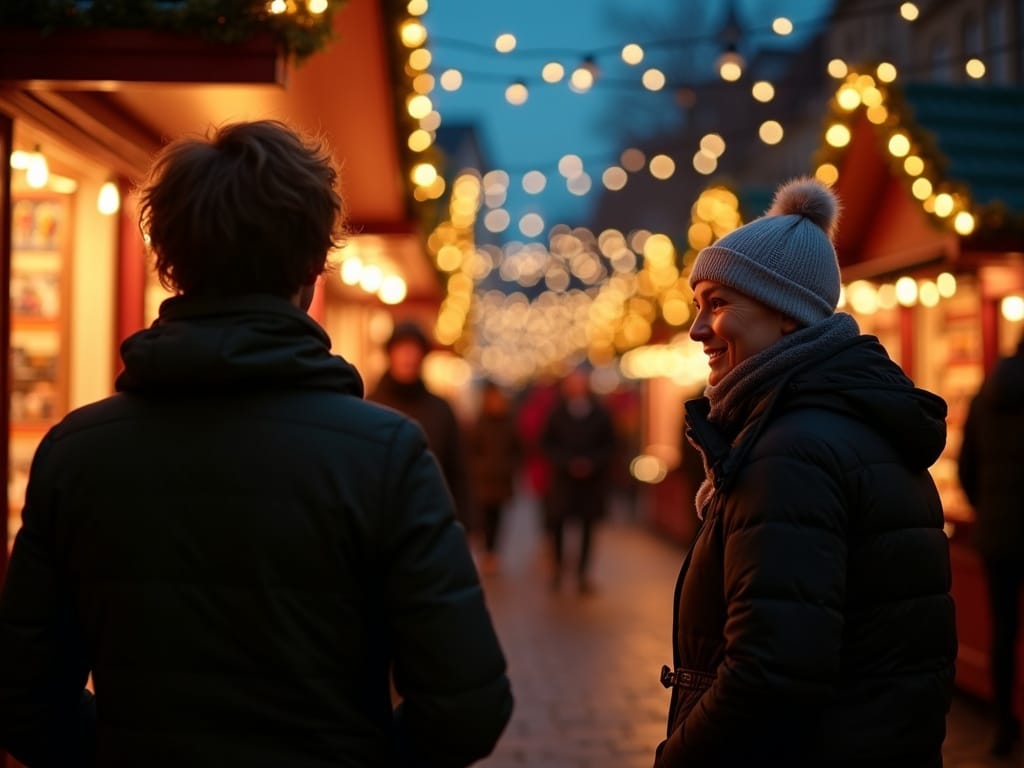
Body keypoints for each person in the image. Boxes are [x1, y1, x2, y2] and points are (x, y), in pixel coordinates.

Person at [0, 120, 512, 767]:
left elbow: (23, 699)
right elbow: (467, 708)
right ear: (310, 266)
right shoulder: (384, 454)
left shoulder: (76, 452)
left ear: (170, 261)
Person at [654, 177, 956, 767]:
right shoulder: (852, 422)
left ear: (787, 315)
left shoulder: (790, 450)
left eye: (718, 303)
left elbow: (769, 673)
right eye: (699, 306)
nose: (697, 330)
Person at [957, 333, 1024, 756]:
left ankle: (1003, 726)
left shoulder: (986, 394)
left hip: (996, 533)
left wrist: (989, 509)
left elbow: (966, 468)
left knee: (1003, 629)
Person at [368, 320, 471, 531]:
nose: (408, 357)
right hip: (378, 522)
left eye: (413, 350)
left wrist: (467, 522)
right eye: (401, 349)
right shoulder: (369, 406)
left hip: (430, 519)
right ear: (390, 354)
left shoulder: (440, 409)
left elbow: (457, 469)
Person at [542, 365, 617, 594]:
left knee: (588, 528)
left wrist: (591, 463)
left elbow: (611, 445)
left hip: (591, 483)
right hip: (563, 482)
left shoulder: (600, 413)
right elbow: (547, 444)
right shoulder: (556, 413)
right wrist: (567, 462)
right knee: (558, 526)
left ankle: (583, 574)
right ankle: (558, 570)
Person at [467, 380, 520, 574]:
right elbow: (471, 450)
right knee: (482, 518)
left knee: (497, 518)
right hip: (483, 481)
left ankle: (493, 552)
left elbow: (517, 449)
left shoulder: (509, 422)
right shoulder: (479, 423)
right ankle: (485, 551)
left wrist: (508, 467)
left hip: (501, 481)